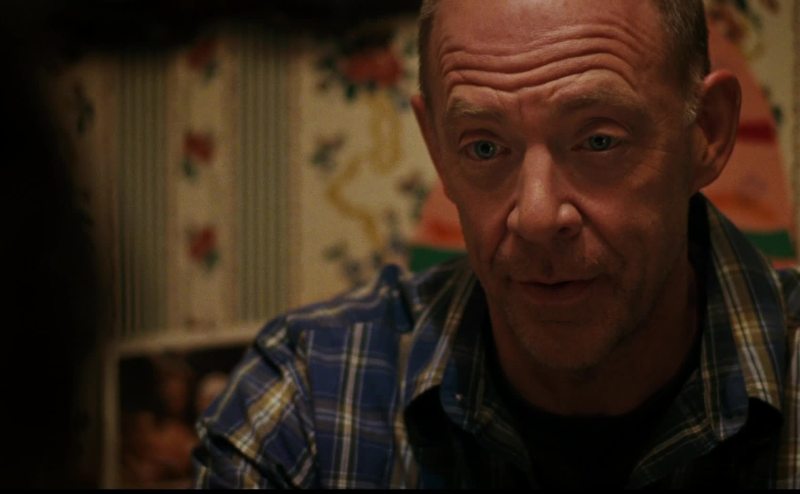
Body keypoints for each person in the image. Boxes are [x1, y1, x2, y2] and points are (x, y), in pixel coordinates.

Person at [192, 0, 800, 488]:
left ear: (706, 133)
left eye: (599, 140)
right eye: (484, 147)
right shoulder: (312, 403)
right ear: (438, 150)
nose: (536, 217)